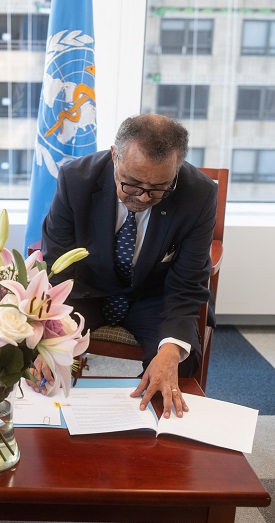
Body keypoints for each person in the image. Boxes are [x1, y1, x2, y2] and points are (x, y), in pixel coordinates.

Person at [34, 113, 216, 418]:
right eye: (132, 184)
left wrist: (169, 352)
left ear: (177, 169)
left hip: (154, 296)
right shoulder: (75, 179)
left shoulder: (199, 194)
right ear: (114, 156)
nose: (143, 197)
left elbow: (187, 283)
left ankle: (146, 441)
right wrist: (54, 334)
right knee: (41, 354)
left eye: (158, 187)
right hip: (85, 291)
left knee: (179, 364)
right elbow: (57, 264)